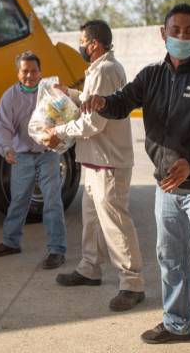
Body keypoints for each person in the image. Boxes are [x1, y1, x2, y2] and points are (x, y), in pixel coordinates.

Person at [83, 4, 190, 351]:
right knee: (170, 260)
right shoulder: (152, 74)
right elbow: (123, 102)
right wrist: (99, 102)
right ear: (163, 33)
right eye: (176, 30)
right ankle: (177, 323)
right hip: (165, 188)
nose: (182, 36)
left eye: (189, 31)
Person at [42, 20, 145, 311]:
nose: (80, 47)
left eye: (82, 41)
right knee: (93, 221)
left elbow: (93, 122)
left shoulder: (106, 71)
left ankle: (132, 283)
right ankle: (89, 268)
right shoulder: (100, 70)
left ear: (95, 44)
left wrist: (58, 133)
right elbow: (91, 103)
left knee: (115, 225)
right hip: (96, 160)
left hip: (108, 161)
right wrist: (70, 94)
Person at [0, 51, 67, 269]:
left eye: (33, 71)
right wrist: (6, 149)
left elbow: (67, 116)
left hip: (48, 155)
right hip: (22, 156)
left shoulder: (50, 92)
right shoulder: (10, 97)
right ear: (18, 72)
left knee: (52, 202)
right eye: (25, 71)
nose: (29, 75)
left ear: (40, 72)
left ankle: (57, 250)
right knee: (19, 200)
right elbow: (3, 127)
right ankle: (11, 242)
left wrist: (61, 135)